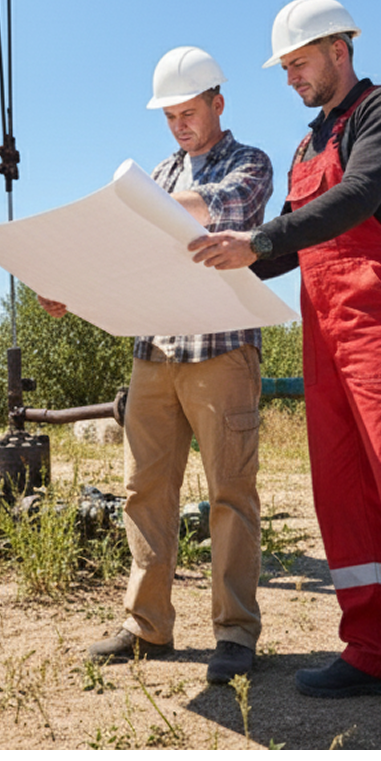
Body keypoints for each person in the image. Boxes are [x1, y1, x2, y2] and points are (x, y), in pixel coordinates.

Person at [189, 0, 381, 747]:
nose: (289, 78)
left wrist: (254, 241)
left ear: (337, 49)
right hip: (325, 328)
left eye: (297, 63)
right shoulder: (304, 145)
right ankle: (375, 651)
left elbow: (356, 200)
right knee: (344, 492)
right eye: (285, 67)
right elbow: (286, 249)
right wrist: (205, 266)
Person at [38, 46, 273, 685]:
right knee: (144, 492)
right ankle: (148, 625)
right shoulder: (159, 174)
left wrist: (144, 212)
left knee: (230, 494)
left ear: (218, 104)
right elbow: (121, 256)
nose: (178, 126)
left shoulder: (249, 163)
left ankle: (234, 633)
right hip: (154, 355)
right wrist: (71, 284)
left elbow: (222, 211)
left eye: (188, 112)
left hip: (221, 352)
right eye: (169, 116)